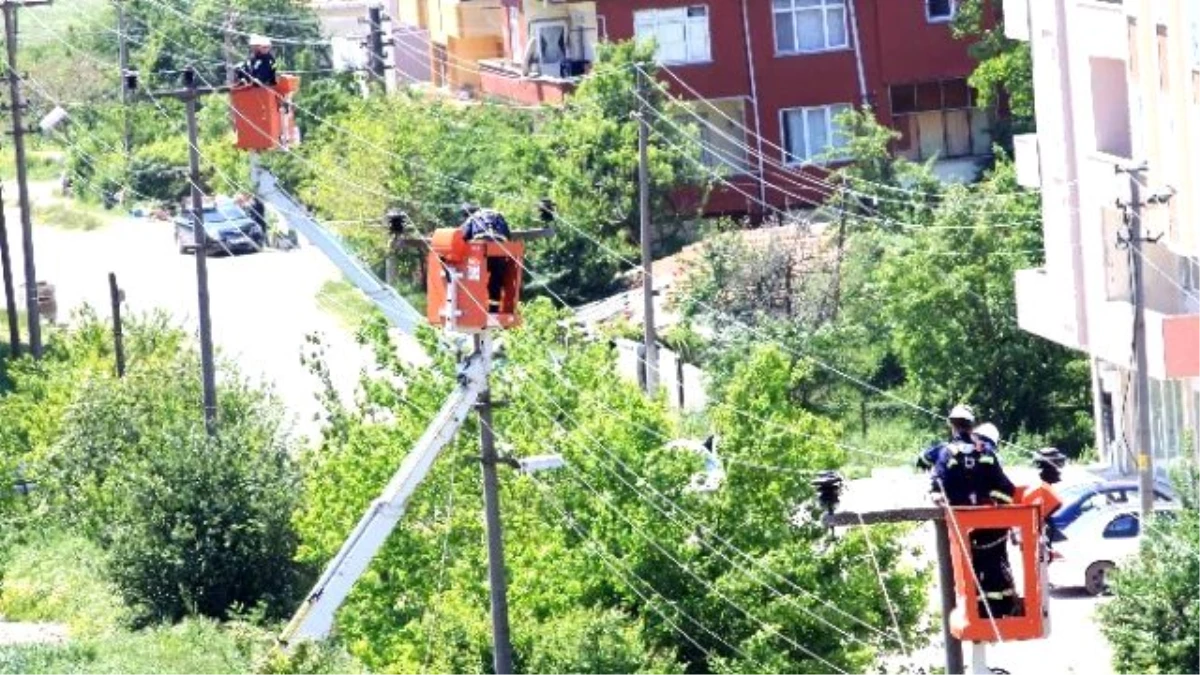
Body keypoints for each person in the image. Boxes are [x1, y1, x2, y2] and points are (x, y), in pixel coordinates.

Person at [926, 404, 1020, 620]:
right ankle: (1000, 609)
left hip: (963, 527)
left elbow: (938, 488)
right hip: (991, 526)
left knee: (970, 570)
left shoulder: (947, 453)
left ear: (951, 425)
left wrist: (939, 497)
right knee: (995, 565)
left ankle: (978, 610)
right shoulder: (985, 452)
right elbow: (1007, 488)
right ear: (971, 426)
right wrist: (999, 511)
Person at [459, 204, 512, 313]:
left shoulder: (472, 218)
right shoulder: (498, 215)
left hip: (479, 252)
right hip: (499, 250)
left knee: (474, 279)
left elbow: (462, 236)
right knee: (496, 281)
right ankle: (494, 310)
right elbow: (508, 236)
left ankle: (473, 310)